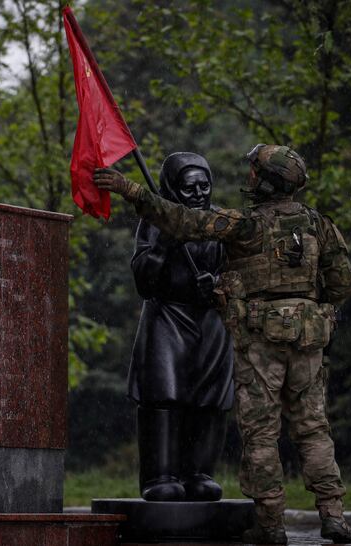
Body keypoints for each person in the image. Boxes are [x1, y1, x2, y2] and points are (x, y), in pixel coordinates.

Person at [94, 144, 351, 544]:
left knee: (261, 434)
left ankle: (270, 524)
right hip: (304, 343)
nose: (248, 177)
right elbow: (343, 282)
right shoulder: (318, 225)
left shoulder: (244, 225)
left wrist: (131, 189)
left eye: (254, 172)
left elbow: (183, 221)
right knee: (313, 430)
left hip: (259, 344)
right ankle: (333, 514)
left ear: (267, 182)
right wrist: (315, 309)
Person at [130, 152, 233, 502]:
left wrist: (218, 285)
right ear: (173, 188)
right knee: (164, 396)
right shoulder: (155, 220)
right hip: (168, 318)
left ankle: (199, 471)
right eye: (189, 188)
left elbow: (240, 271)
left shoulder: (219, 220)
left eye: (205, 186)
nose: (199, 194)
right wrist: (165, 249)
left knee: (209, 399)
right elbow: (143, 279)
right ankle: (160, 475)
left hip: (209, 320)